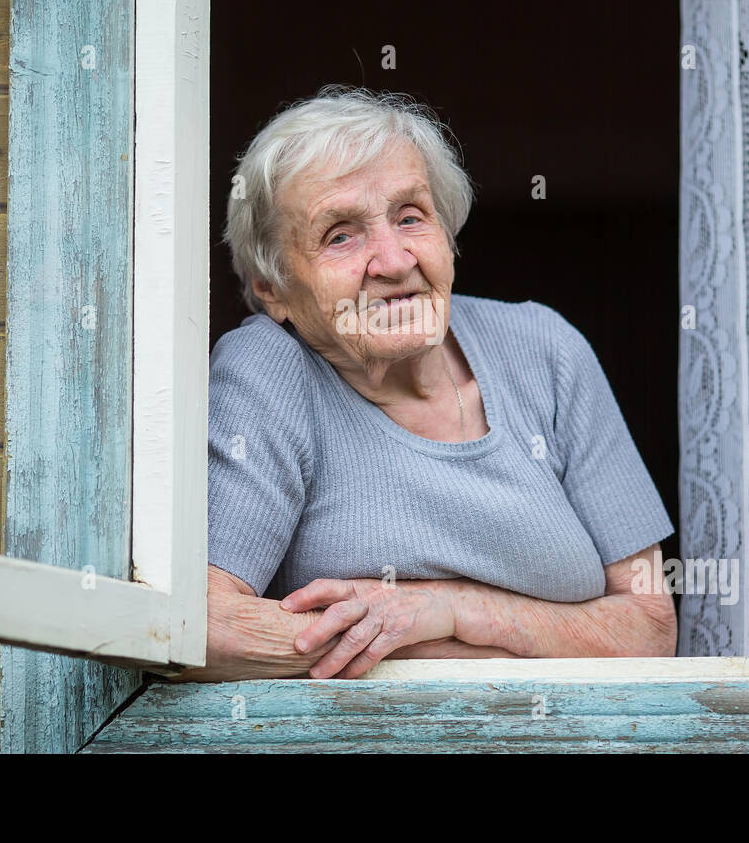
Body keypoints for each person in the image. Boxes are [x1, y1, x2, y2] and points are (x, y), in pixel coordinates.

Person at [181, 85, 675, 682]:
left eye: (410, 216)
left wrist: (448, 612)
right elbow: (200, 624)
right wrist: (438, 651)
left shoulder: (545, 349)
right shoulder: (268, 370)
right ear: (274, 289)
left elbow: (650, 625)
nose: (393, 260)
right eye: (341, 234)